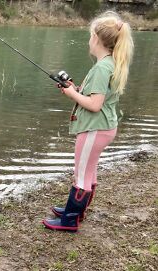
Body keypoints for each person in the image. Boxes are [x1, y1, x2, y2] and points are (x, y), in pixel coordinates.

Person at [43, 12, 133, 232]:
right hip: (104, 127)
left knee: (81, 174)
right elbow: (99, 95)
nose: (89, 40)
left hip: (95, 128)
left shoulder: (102, 67)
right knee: (89, 171)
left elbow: (94, 104)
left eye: (90, 35)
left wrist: (71, 94)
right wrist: (75, 89)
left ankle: (70, 220)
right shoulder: (111, 63)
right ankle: (75, 211)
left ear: (97, 39)